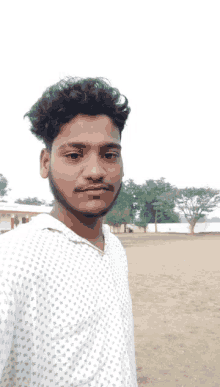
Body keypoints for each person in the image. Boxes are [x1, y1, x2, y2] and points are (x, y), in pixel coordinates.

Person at [0, 77, 138, 386]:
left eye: (109, 154)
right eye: (74, 155)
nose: (95, 171)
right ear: (46, 162)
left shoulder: (114, 249)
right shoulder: (10, 259)